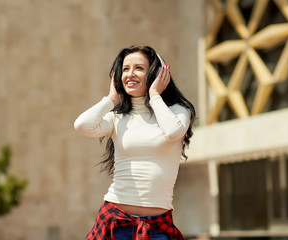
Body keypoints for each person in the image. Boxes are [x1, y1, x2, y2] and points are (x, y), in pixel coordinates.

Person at [74, 45, 196, 240]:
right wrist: (111, 98)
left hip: (158, 226)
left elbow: (173, 132)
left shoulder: (178, 111)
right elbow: (82, 125)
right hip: (116, 220)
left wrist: (155, 95)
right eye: (125, 69)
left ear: (156, 73)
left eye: (139, 68)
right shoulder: (117, 118)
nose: (130, 74)